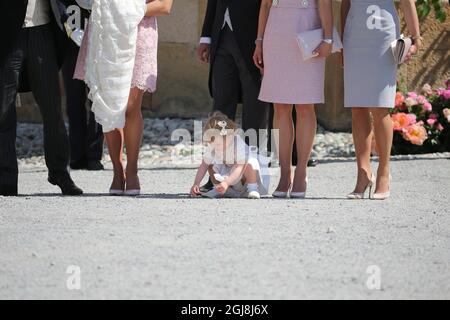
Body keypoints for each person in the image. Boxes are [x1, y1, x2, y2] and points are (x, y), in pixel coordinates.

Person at [75, 0, 173, 196]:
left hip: (138, 31)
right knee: (109, 102)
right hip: (106, 32)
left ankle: (132, 169)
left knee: (130, 106)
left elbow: (164, 6)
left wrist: (127, 10)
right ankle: (117, 170)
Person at [0, 0, 83, 196]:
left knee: (52, 107)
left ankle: (60, 172)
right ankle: (6, 178)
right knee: (3, 110)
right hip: (8, 32)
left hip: (42, 32)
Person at [342, 0, 422, 200]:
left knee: (380, 107)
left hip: (383, 38)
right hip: (354, 38)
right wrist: (342, 41)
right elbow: (345, 3)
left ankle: (384, 173)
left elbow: (406, 1)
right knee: (357, 107)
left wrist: (416, 37)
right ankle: (363, 173)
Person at [254, 0, 334, 199]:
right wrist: (259, 41)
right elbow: (265, 5)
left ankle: (301, 172)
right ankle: (284, 173)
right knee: (280, 106)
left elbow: (325, 3)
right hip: (276, 33)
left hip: (307, 30)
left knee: (305, 105)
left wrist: (329, 39)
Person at [197, 0, 270, 192]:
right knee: (221, 105)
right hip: (221, 35)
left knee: (256, 103)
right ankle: (217, 174)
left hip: (253, 34)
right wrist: (206, 36)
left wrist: (264, 39)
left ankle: (254, 173)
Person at [50, 0, 104, 171]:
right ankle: (76, 155)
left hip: (98, 40)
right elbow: (59, 7)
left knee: (97, 99)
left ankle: (94, 155)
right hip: (71, 42)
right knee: (74, 100)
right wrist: (71, 30)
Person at [190, 112, 270, 199]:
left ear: (230, 137)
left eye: (218, 144)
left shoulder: (238, 144)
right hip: (230, 176)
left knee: (250, 162)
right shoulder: (213, 146)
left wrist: (227, 182)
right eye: (212, 144)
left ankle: (253, 189)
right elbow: (204, 165)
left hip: (245, 178)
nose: (215, 147)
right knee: (210, 165)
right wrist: (196, 183)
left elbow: (240, 167)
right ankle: (221, 189)